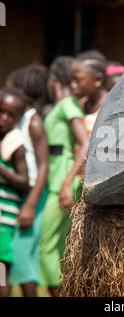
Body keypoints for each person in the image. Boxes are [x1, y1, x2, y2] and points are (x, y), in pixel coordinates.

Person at [39, 56, 89, 296]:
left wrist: (68, 183)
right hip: (56, 180)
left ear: (55, 78)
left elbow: (85, 143)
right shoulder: (63, 105)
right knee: (58, 246)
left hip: (61, 181)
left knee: (44, 246)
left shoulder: (67, 104)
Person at [6, 66, 49, 297]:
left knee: (23, 258)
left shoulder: (33, 122)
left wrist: (31, 204)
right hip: (20, 192)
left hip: (34, 195)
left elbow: (43, 166)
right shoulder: (17, 119)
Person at [0, 87, 29, 297]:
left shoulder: (15, 143)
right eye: (1, 111)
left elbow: (24, 181)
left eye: (11, 115)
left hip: (4, 220)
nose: (4, 118)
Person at [71, 50, 108, 136]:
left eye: (77, 80)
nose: (72, 85)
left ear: (98, 79)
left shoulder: (112, 109)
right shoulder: (79, 105)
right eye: (72, 79)